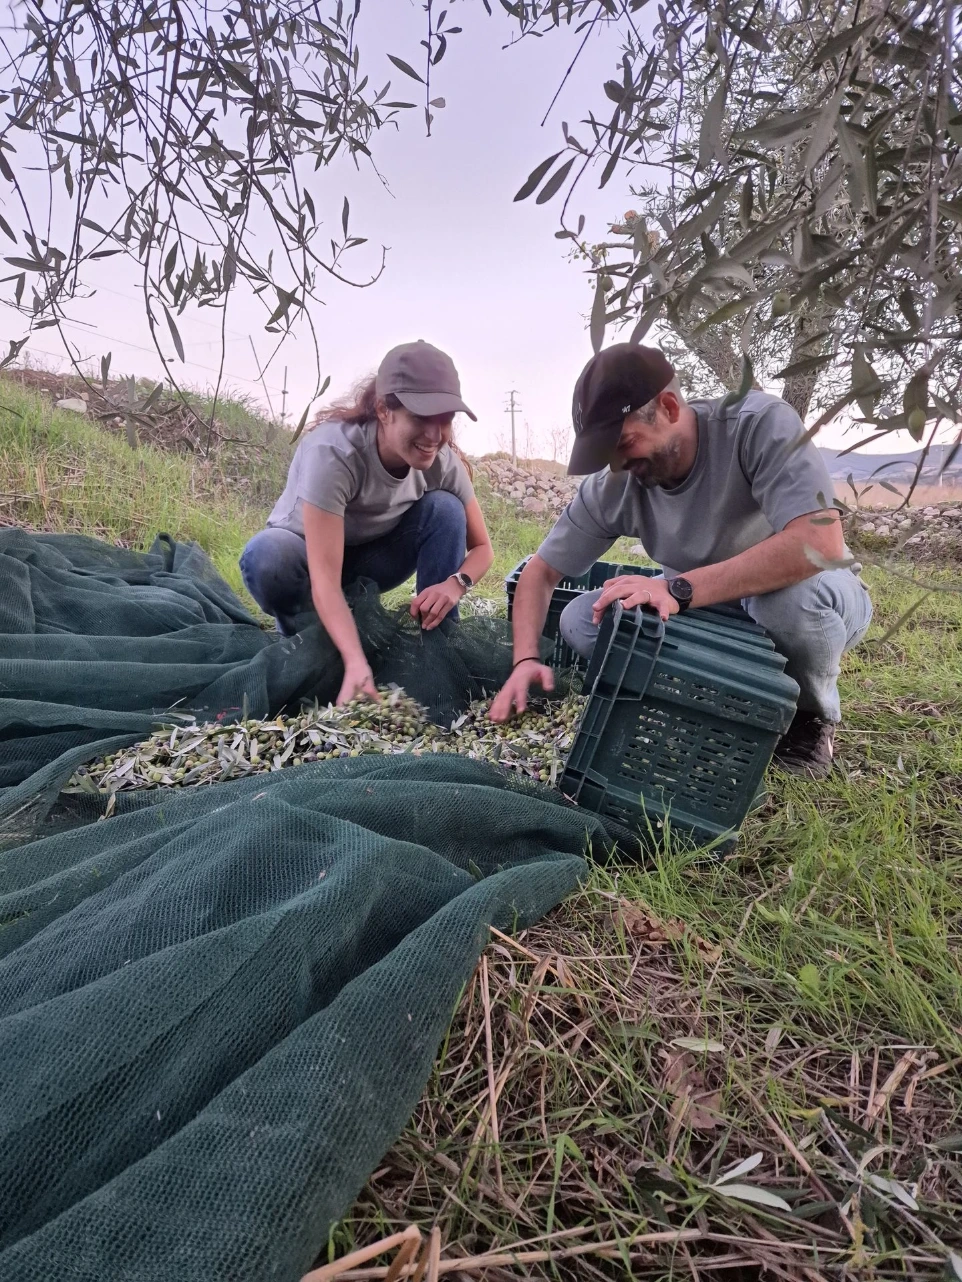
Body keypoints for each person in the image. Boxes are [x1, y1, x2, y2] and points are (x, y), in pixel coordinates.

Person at [489, 343, 873, 778]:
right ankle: (714, 696)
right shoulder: (615, 482)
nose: (617, 463)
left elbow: (818, 544)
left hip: (816, 593)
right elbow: (540, 572)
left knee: (783, 605)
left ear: (669, 407)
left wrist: (675, 589)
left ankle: (810, 718)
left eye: (624, 443)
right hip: (707, 603)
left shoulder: (758, 424)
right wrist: (524, 661)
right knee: (582, 618)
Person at [240, 340, 494, 704]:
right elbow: (325, 580)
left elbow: (483, 548)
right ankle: (306, 641)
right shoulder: (334, 453)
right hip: (308, 565)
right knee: (266, 556)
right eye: (422, 417)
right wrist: (356, 661)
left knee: (446, 508)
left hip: (375, 560)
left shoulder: (442, 461)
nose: (435, 435)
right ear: (383, 410)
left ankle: (437, 654)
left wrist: (454, 585)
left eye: (446, 419)